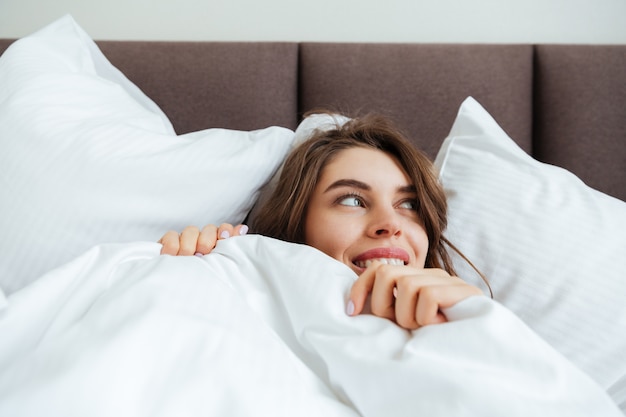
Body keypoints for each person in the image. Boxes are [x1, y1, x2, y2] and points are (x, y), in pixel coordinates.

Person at [159, 111, 490, 330]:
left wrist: (475, 321)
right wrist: (184, 272)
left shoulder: (473, 320)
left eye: (409, 204)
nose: (390, 224)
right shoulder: (240, 300)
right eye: (352, 200)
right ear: (296, 225)